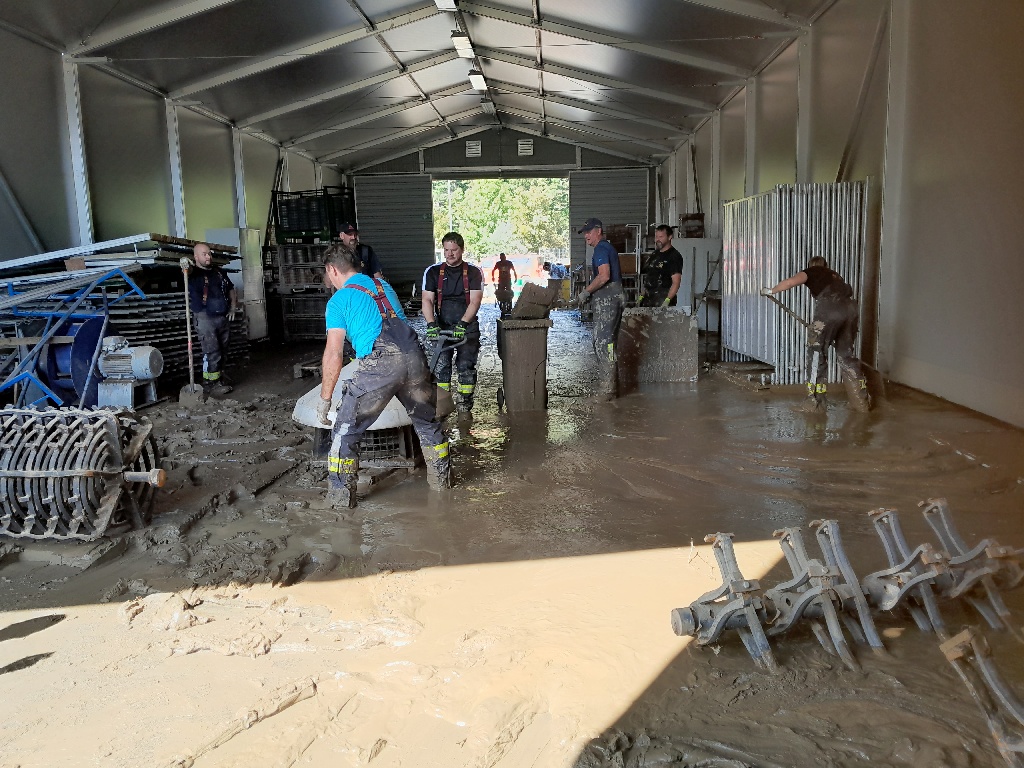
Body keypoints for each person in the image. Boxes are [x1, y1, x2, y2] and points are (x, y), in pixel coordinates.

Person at [316, 243, 450, 508]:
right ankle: (442, 488)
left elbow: (333, 354)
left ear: (332, 270)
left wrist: (325, 398)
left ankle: (340, 502)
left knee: (345, 429)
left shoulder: (339, 300)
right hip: (414, 357)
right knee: (427, 423)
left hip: (381, 363)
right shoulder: (383, 287)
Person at [763, 256, 871, 412]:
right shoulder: (835, 275)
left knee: (816, 352)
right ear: (826, 265)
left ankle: (814, 403)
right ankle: (861, 402)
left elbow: (790, 282)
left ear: (810, 265)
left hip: (829, 309)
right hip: (851, 311)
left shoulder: (811, 272)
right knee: (846, 355)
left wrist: (770, 290)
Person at [422, 232, 484, 417]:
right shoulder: (433, 272)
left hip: (467, 327)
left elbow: (475, 301)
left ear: (462, 250)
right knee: (441, 368)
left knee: (466, 367)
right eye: (446, 250)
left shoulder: (473, 272)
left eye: (454, 250)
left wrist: (463, 323)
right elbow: (427, 300)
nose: (449, 254)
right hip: (442, 327)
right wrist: (431, 323)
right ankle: (443, 406)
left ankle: (464, 406)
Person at [575, 218, 623, 400]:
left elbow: (604, 276)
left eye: (589, 232)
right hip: (612, 296)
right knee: (608, 343)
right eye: (584, 233)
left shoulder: (601, 249)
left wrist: (586, 292)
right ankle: (611, 385)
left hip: (609, 298)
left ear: (599, 231)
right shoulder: (605, 248)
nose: (586, 236)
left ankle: (607, 389)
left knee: (604, 343)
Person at [189, 242, 236, 397]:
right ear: (196, 257)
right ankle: (211, 384)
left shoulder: (219, 272)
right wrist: (184, 265)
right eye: (204, 254)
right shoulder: (192, 273)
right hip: (205, 318)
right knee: (212, 351)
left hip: (222, 316)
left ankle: (220, 377)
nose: (208, 257)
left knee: (223, 350)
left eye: (209, 253)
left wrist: (233, 307)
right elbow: (185, 271)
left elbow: (231, 289)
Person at [639, 225, 683, 307]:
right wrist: (642, 295)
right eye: (656, 237)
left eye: (661, 237)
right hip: (648, 301)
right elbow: (649, 277)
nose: (657, 240)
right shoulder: (655, 254)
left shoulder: (674, 256)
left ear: (669, 237)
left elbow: (676, 282)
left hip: (662, 300)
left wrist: (667, 300)